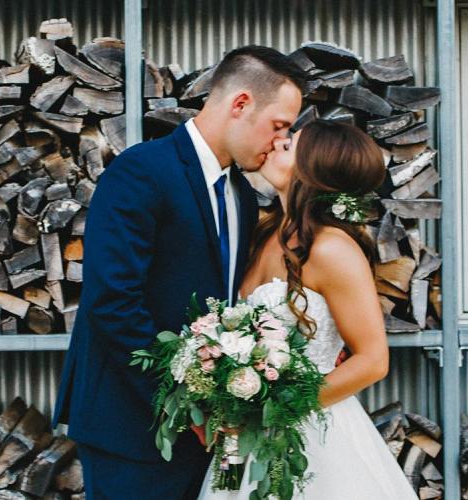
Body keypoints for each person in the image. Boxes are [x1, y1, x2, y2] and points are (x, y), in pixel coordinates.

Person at [51, 45, 305, 499]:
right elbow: (112, 302)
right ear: (241, 104)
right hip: (132, 425)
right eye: (279, 125)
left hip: (209, 428)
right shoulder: (141, 171)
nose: (279, 141)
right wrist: (185, 407)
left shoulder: (243, 197)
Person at [198, 120, 417, 499]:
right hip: (245, 440)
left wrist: (274, 410)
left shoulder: (332, 249)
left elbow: (373, 360)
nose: (278, 142)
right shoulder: (266, 233)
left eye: (291, 145)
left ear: (313, 169)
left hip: (314, 438)